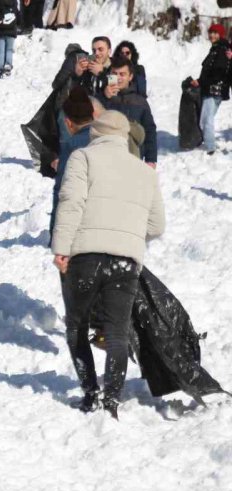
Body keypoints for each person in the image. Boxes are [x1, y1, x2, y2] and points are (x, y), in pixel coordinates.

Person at [51, 111, 166, 418]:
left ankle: (90, 393)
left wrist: (61, 248)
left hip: (85, 257)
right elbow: (157, 225)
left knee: (77, 327)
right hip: (125, 262)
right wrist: (128, 236)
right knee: (116, 332)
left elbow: (71, 202)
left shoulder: (83, 158)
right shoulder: (145, 172)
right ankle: (112, 399)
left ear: (96, 133)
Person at [49, 87, 96, 235]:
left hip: (80, 223)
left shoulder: (71, 146)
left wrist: (54, 233)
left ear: (68, 123)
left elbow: (62, 191)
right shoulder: (107, 139)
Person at [97, 56, 157, 167]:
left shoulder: (140, 101)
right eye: (114, 74)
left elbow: (150, 130)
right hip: (106, 158)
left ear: (130, 77)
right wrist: (104, 97)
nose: (118, 78)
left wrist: (151, 159)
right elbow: (91, 121)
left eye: (122, 74)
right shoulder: (100, 97)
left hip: (133, 157)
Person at [191, 24, 231, 155]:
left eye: (215, 33)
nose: (212, 35)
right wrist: (200, 81)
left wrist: (201, 82)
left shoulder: (221, 49)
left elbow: (218, 73)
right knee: (205, 119)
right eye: (211, 32)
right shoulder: (215, 48)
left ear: (220, 35)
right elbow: (209, 72)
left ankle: (210, 148)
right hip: (211, 89)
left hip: (214, 90)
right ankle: (209, 144)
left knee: (206, 120)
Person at [0, 0, 19, 77]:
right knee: (9, 50)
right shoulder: (13, 3)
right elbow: (18, 16)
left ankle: (0, 68)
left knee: (0, 51)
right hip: (11, 31)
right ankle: (8, 65)